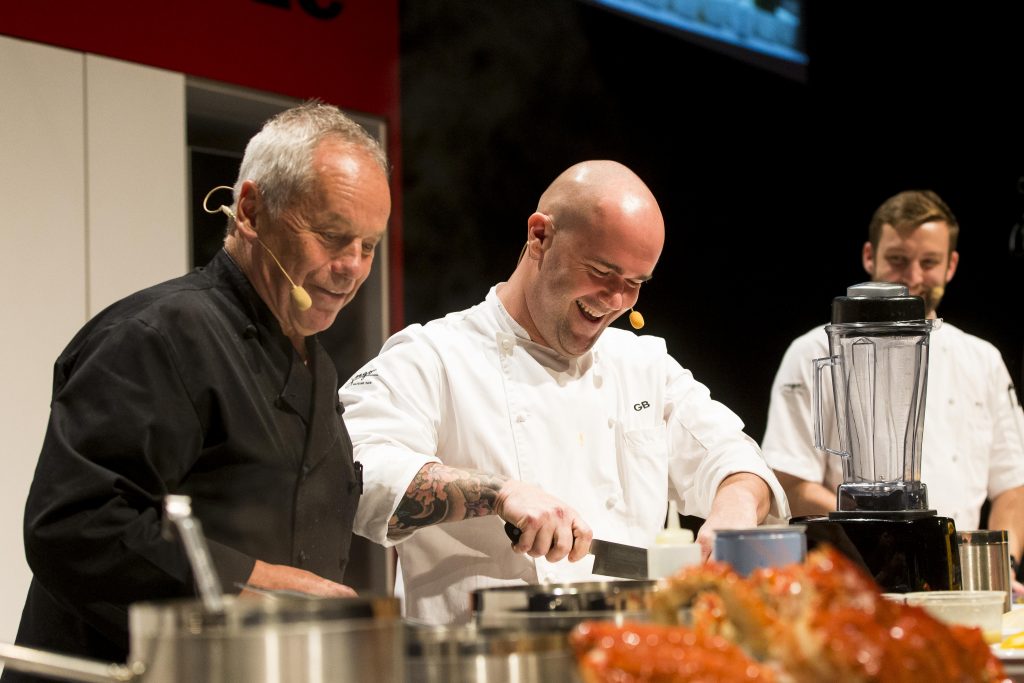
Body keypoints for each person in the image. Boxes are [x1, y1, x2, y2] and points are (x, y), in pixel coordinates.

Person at [4, 102, 391, 676]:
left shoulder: (316, 363)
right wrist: (248, 583)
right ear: (252, 210)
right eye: (333, 237)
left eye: (369, 246)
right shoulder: (157, 334)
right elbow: (74, 527)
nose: (352, 268)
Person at [341, 160, 790, 624]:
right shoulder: (434, 354)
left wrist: (734, 509)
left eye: (635, 285)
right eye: (602, 271)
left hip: (628, 658)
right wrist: (499, 493)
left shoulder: (644, 367)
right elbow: (356, 472)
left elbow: (733, 456)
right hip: (485, 664)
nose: (616, 301)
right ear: (540, 236)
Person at [762, 189, 1024, 577]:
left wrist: (1001, 565)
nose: (914, 277)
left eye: (929, 262)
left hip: (958, 575)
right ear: (870, 256)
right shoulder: (814, 351)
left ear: (951, 265)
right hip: (854, 570)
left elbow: (1013, 486)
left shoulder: (982, 359)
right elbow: (789, 480)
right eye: (898, 260)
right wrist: (886, 522)